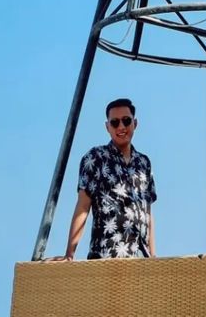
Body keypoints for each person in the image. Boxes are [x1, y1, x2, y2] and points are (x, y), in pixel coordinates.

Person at [58, 97, 157, 259]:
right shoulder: (96, 158)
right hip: (107, 255)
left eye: (126, 121)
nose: (121, 127)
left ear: (135, 123)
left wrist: (153, 256)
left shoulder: (144, 163)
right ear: (107, 127)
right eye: (115, 123)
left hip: (140, 259)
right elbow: (83, 206)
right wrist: (69, 254)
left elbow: (148, 212)